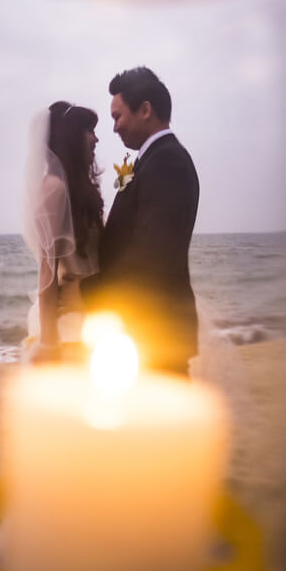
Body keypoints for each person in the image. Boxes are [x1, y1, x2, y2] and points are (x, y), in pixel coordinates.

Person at [82, 66, 200, 374]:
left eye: (117, 117)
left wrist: (87, 291)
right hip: (145, 331)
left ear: (145, 110)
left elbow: (152, 255)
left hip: (156, 332)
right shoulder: (152, 160)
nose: (114, 128)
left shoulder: (168, 162)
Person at [22, 101, 103, 364]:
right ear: (71, 137)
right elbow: (47, 273)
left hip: (91, 314)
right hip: (67, 326)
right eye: (89, 130)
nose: (96, 138)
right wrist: (48, 342)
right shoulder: (54, 189)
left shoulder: (78, 189)